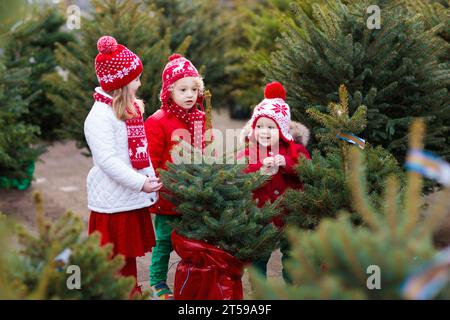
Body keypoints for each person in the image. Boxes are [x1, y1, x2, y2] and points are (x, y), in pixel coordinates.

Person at [84, 35, 162, 298]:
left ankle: (131, 290)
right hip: (112, 202)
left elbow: (140, 153)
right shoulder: (99, 117)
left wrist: (150, 180)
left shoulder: (128, 111)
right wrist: (140, 183)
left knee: (127, 256)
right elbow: (107, 161)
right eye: (136, 79)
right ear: (121, 84)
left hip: (128, 197)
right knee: (115, 257)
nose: (140, 83)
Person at [144, 54, 206, 299]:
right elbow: (153, 160)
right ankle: (157, 281)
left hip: (195, 194)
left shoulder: (200, 118)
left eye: (194, 89)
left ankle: (190, 278)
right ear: (169, 91)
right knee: (164, 242)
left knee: (192, 240)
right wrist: (162, 187)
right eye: (183, 89)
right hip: (169, 195)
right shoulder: (158, 122)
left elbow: (206, 151)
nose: (189, 95)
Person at [238, 81, 311, 283]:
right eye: (259, 126)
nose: (264, 131)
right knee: (259, 257)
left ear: (283, 129)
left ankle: (293, 288)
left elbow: (306, 168)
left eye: (271, 127)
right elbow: (241, 169)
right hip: (262, 215)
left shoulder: (294, 150)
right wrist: (259, 167)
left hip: (290, 214)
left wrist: (285, 163)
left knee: (292, 254)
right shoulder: (250, 151)